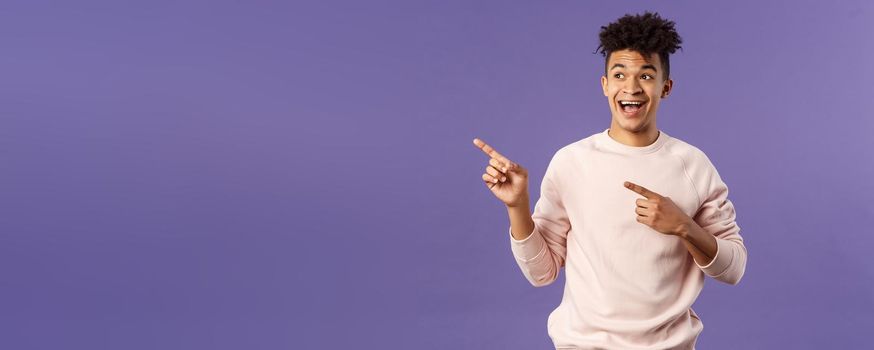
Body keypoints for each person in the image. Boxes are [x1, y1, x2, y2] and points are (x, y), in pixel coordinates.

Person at [472, 11, 747, 349]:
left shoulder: (693, 165)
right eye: (619, 74)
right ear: (605, 85)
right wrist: (518, 206)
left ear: (666, 86)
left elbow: (733, 269)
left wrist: (685, 227)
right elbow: (541, 273)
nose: (631, 87)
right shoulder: (572, 162)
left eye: (646, 76)